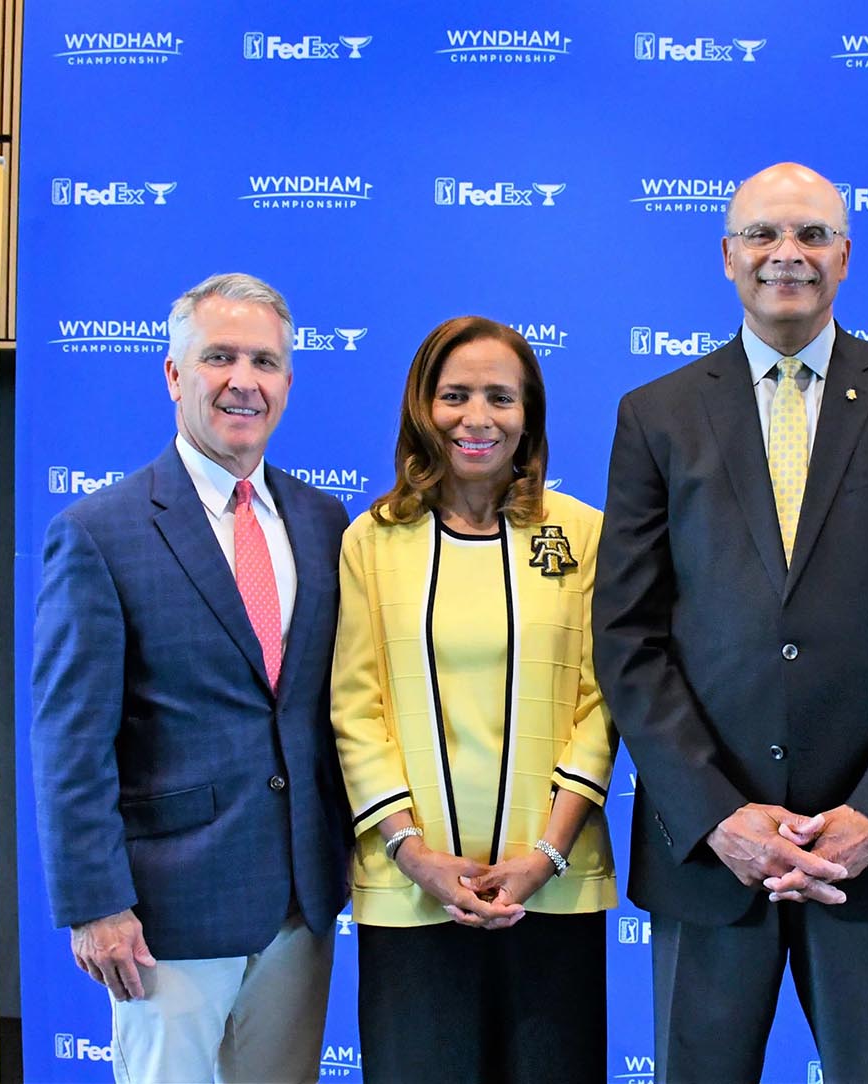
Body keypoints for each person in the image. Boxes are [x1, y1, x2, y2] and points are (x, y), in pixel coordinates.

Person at [592, 162, 868, 1082]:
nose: (788, 255)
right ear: (727, 257)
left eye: (813, 236)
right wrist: (720, 816)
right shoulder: (656, 414)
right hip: (709, 857)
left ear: (846, 257)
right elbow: (627, 634)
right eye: (764, 236)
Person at [31, 272, 351, 1083]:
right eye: (219, 357)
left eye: (265, 362)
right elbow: (70, 743)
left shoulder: (323, 523)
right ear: (175, 375)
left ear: (287, 382)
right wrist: (94, 905)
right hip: (161, 919)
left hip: (298, 908)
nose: (244, 380)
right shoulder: (99, 533)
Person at [331, 316, 617, 1084]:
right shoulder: (372, 541)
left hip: (550, 891)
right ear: (424, 408)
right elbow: (356, 711)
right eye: (455, 395)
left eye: (501, 397)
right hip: (409, 892)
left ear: (529, 417)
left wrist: (546, 857)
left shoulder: (583, 534)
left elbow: (601, 702)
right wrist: (415, 856)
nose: (477, 418)